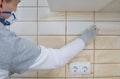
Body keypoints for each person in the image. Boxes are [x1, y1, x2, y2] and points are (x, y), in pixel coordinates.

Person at [0, 0, 99, 79]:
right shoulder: (8, 43)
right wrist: (84, 39)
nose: (15, 10)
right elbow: (57, 59)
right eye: (16, 3)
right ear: (1, 3)